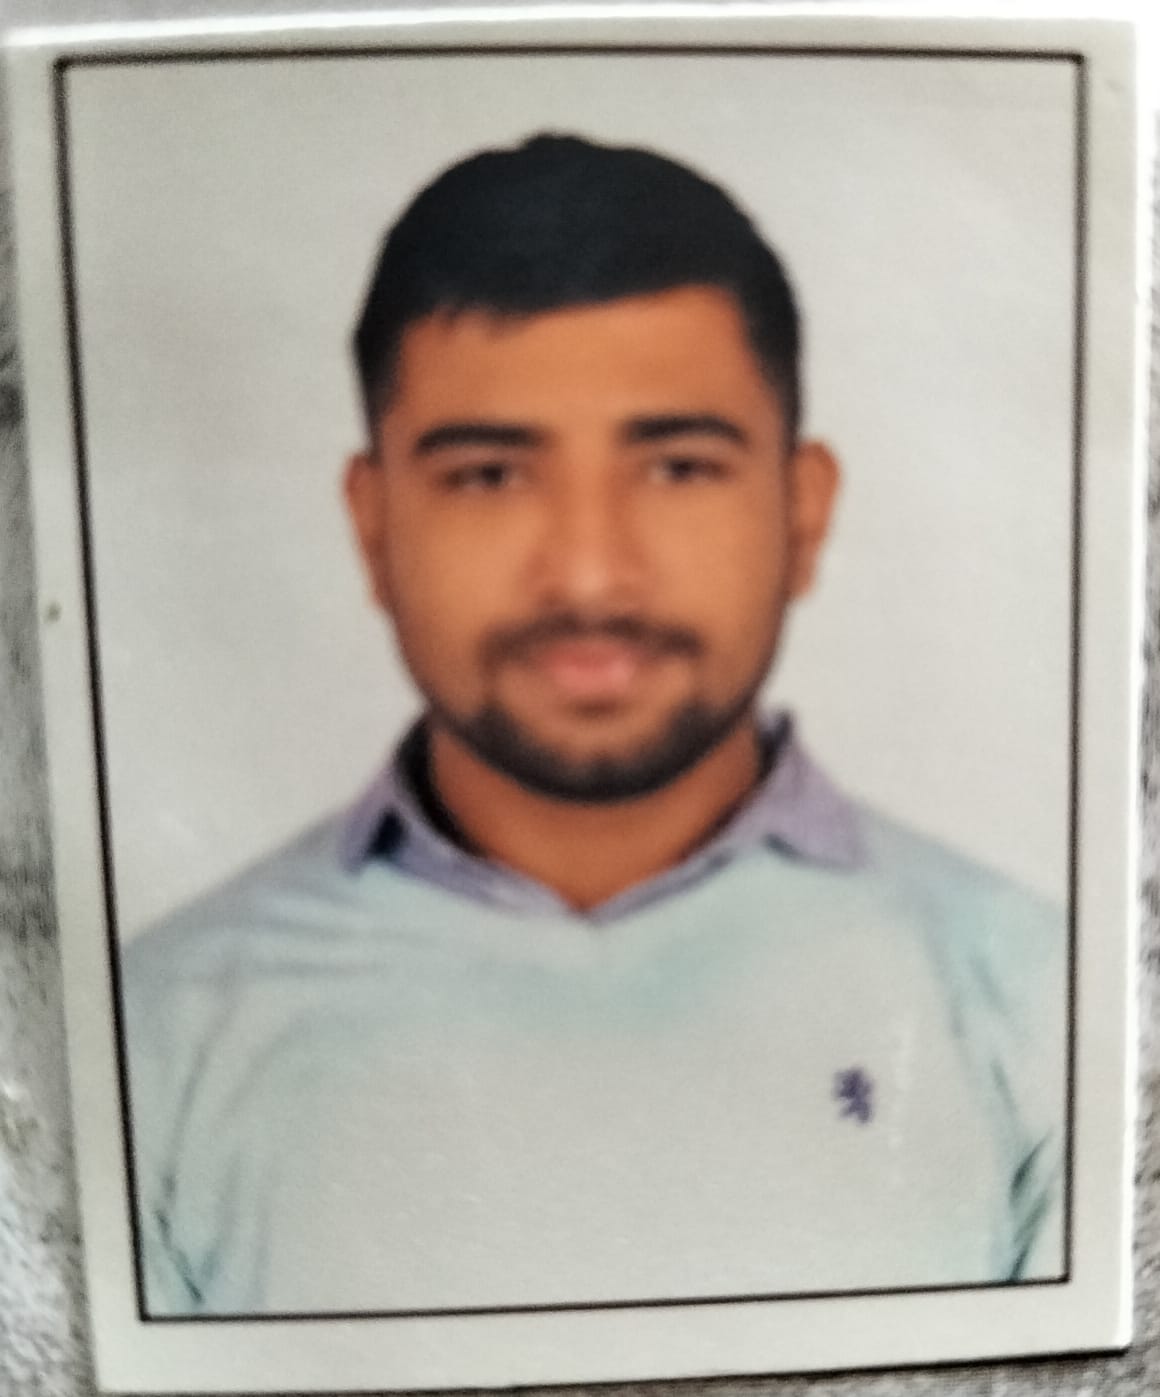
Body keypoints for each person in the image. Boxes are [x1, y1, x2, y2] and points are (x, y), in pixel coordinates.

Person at [122, 133, 1066, 1318]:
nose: (586, 572)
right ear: (372, 524)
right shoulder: (147, 1039)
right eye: (488, 474)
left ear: (801, 508)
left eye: (676, 467)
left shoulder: (1044, 1003)